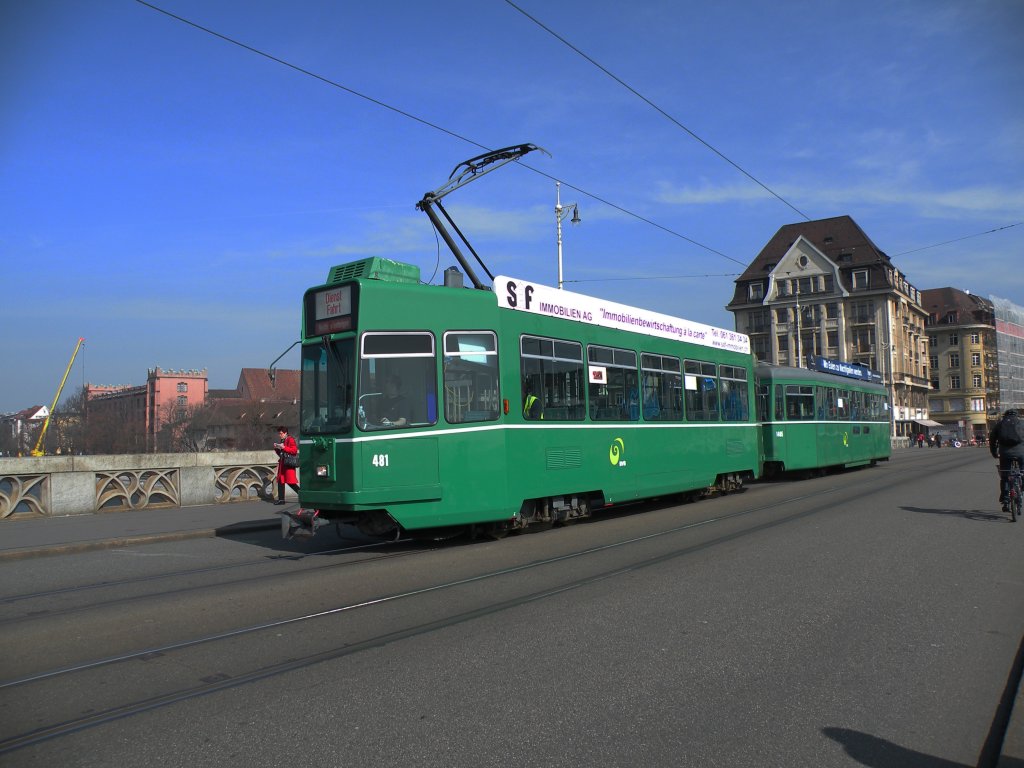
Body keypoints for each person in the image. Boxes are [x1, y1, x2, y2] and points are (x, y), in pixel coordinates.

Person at [990, 409, 1024, 512]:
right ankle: (1021, 489)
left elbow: (992, 439)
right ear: (1016, 415)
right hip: (1021, 453)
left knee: (1005, 477)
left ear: (1005, 416)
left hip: (1005, 454)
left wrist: (994, 453)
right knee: (1022, 472)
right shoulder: (1022, 423)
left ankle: (1005, 500)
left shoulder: (1000, 424)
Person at [273, 426, 300, 505]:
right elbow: (281, 454)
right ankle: (281, 500)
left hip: (288, 465)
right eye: (279, 433)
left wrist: (284, 447)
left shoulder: (290, 439)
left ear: (285, 433)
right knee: (280, 481)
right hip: (283, 464)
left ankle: (302, 495)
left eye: (281, 433)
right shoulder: (283, 440)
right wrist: (277, 448)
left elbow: (294, 451)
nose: (279, 435)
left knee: (291, 482)